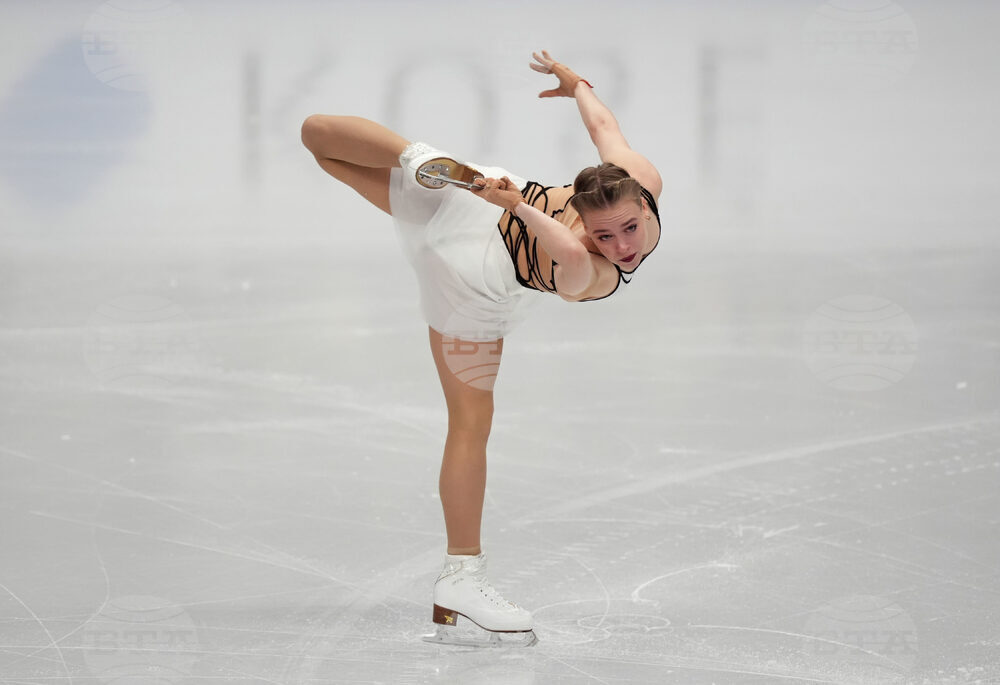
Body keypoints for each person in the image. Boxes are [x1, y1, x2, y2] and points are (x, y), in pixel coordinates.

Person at [300, 50, 662, 647]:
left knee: (325, 141)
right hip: (471, 265)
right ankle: (460, 579)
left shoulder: (614, 216)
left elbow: (597, 157)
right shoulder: (602, 246)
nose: (622, 246)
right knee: (470, 423)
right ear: (584, 215)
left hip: (476, 203)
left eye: (628, 228)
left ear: (640, 201)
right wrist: (572, 101)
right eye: (605, 234)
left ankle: (415, 157)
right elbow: (583, 216)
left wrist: (572, 101)